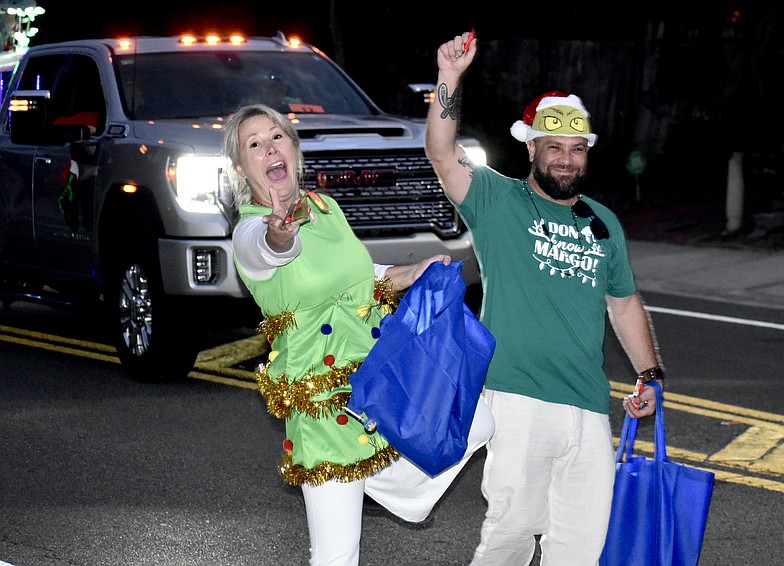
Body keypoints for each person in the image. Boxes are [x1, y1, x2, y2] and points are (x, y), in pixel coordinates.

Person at [424, 32, 666, 565]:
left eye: (576, 150)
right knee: (509, 536)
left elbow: (623, 303)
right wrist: (450, 78)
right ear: (530, 148)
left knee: (581, 549)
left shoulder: (603, 223)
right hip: (517, 399)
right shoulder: (497, 200)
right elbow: (441, 153)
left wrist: (649, 374)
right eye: (553, 147)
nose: (565, 159)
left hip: (587, 405)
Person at [222, 103, 494, 566]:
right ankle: (388, 486)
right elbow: (270, 250)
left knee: (478, 419)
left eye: (277, 137)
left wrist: (411, 271)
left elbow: (358, 275)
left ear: (293, 147)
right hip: (324, 407)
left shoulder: (326, 208)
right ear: (242, 169)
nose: (270, 148)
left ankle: (399, 489)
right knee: (336, 556)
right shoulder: (250, 231)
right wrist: (279, 232)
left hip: (372, 380)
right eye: (255, 144)